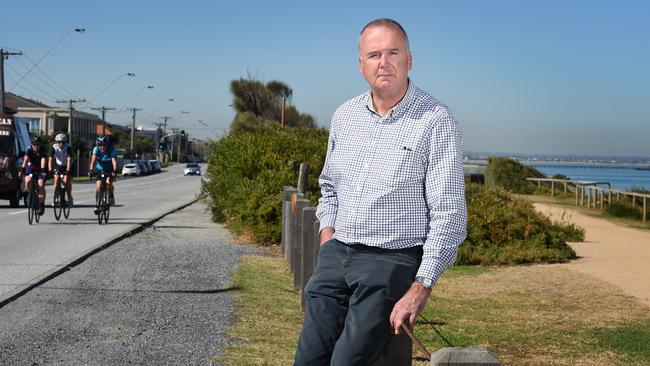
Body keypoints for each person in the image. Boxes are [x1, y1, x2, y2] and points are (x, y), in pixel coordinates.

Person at [294, 18, 467, 365]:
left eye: (393, 52)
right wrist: (328, 237)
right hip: (336, 254)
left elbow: (449, 214)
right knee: (308, 359)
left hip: (390, 261)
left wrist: (421, 286)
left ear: (409, 59)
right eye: (373, 55)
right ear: (361, 65)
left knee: (348, 361)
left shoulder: (436, 120)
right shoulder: (344, 116)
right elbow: (329, 186)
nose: (383, 63)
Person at [19, 136, 48, 215]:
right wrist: (22, 170)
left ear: (40, 145)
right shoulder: (29, 149)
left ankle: (41, 205)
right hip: (31, 168)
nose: (36, 146)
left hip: (40, 168)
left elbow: (43, 160)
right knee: (28, 181)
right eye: (34, 144)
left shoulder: (43, 149)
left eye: (38, 144)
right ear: (32, 144)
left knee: (41, 184)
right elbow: (26, 159)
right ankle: (30, 195)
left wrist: (42, 169)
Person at [88, 136, 117, 214]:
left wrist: (115, 170)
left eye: (104, 145)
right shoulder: (96, 149)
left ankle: (111, 194)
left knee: (108, 182)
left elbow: (114, 161)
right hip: (99, 169)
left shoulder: (111, 149)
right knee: (98, 186)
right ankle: (97, 204)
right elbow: (93, 160)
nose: (102, 147)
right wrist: (91, 170)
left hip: (109, 169)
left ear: (107, 144)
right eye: (100, 145)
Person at [48, 133, 74, 207]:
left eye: (63, 142)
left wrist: (68, 171)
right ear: (56, 142)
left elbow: (69, 159)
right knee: (56, 180)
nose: (61, 144)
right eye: (59, 142)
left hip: (67, 165)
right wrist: (50, 170)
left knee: (66, 181)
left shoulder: (68, 147)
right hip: (58, 165)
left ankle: (69, 197)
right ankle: (56, 198)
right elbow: (50, 159)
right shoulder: (53, 147)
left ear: (65, 142)